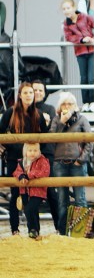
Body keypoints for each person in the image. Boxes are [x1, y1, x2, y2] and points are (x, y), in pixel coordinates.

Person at [0, 82, 49, 235]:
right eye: (25, 93)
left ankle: (33, 229)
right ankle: (15, 229)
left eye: (31, 93)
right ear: (20, 95)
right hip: (15, 159)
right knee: (16, 194)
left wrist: (49, 121)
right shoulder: (10, 113)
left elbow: (45, 135)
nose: (28, 95)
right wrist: (8, 149)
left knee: (33, 193)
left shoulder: (38, 114)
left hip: (34, 160)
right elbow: (1, 132)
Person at [49, 92, 92, 235]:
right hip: (59, 163)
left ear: (75, 106)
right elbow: (51, 139)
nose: (67, 106)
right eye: (64, 104)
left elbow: (89, 141)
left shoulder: (82, 119)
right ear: (59, 107)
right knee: (62, 199)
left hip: (77, 163)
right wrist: (62, 122)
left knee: (80, 197)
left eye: (70, 104)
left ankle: (81, 231)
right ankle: (63, 231)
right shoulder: (56, 120)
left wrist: (81, 159)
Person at [32, 80, 59, 231]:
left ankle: (58, 226)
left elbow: (53, 129)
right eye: (34, 90)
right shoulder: (24, 110)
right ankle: (34, 228)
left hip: (47, 152)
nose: (37, 93)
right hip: (30, 153)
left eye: (40, 90)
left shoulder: (50, 108)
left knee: (51, 191)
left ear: (45, 92)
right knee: (32, 192)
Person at [61, 0, 94, 112]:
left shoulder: (84, 17)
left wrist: (93, 38)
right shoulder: (66, 23)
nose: (66, 11)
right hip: (80, 51)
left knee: (91, 78)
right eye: (64, 9)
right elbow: (69, 37)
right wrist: (82, 40)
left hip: (92, 50)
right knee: (83, 78)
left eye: (68, 8)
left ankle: (93, 102)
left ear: (74, 8)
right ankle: (85, 102)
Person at [12, 142, 50, 239]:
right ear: (25, 152)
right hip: (24, 191)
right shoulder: (22, 162)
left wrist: (29, 175)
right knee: (32, 211)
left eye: (35, 150)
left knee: (29, 209)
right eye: (30, 150)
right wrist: (21, 176)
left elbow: (45, 172)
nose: (32, 153)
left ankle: (34, 229)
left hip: (38, 191)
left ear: (39, 151)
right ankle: (33, 231)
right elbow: (16, 172)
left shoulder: (42, 160)